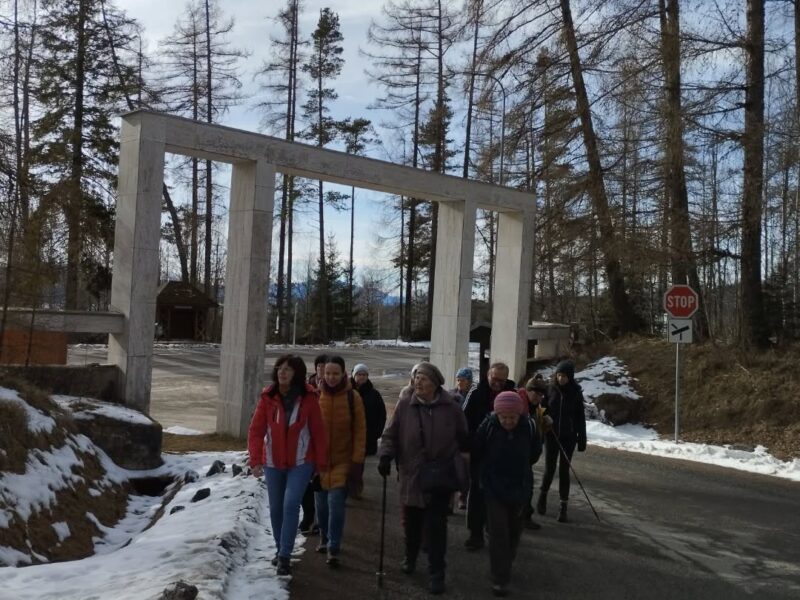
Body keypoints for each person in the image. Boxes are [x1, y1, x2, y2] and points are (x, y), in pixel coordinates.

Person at [378, 362, 468, 595]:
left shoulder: (451, 406)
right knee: (412, 522)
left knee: (437, 527)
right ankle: (410, 555)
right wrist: (386, 455)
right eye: (417, 378)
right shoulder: (406, 404)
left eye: (424, 379)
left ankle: (437, 572)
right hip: (411, 474)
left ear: (435, 383)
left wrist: (460, 463)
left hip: (440, 475)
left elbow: (463, 436)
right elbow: (391, 432)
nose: (418, 382)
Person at [247, 354, 328, 577]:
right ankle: (279, 547)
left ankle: (284, 555)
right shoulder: (268, 397)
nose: (282, 372)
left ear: (297, 373)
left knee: (291, 504)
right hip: (273, 461)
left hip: (301, 461)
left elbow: (318, 433)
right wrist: (255, 460)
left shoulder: (309, 398)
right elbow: (256, 431)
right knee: (276, 509)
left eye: (288, 369)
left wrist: (321, 464)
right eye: (279, 368)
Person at [473, 391, 542, 597]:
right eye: (504, 417)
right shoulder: (489, 426)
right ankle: (500, 578)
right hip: (493, 487)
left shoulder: (529, 427)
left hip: (519, 488)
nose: (508, 421)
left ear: (520, 414)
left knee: (514, 531)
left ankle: (506, 560)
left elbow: (534, 453)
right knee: (498, 533)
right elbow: (477, 449)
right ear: (497, 414)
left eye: (512, 417)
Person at [316, 355, 367, 566]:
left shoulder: (353, 397)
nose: (331, 377)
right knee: (321, 506)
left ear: (344, 374)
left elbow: (360, 430)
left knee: (336, 504)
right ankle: (324, 537)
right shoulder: (315, 395)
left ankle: (333, 547)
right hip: (318, 462)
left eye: (335, 373)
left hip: (343, 460)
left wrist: (356, 460)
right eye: (328, 373)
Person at [462, 362, 517, 550]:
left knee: (500, 494)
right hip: (480, 453)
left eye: (502, 380)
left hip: (503, 454)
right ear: (488, 375)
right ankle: (475, 534)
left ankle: (495, 531)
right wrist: (467, 448)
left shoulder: (513, 393)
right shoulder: (476, 392)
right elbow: (464, 421)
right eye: (495, 379)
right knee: (477, 493)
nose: (498, 383)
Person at [537, 360, 587, 523]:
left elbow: (580, 417)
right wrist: (544, 419)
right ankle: (542, 496)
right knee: (549, 469)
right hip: (551, 435)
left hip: (568, 437)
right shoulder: (549, 389)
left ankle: (563, 506)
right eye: (559, 375)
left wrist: (582, 438)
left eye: (564, 376)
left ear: (570, 377)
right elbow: (540, 410)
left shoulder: (576, 392)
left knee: (565, 471)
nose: (561, 379)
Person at [298, 354, 328, 535]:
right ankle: (309, 516)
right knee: (306, 488)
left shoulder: (334, 390)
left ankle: (320, 522)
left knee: (321, 487)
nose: (322, 370)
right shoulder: (307, 389)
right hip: (304, 448)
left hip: (322, 445)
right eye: (319, 367)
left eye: (325, 367)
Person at [516, 375, 550, 530]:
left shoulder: (536, 409)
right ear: (528, 391)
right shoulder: (518, 405)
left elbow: (538, 432)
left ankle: (524, 516)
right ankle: (519, 517)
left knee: (527, 487)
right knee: (523, 487)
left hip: (528, 455)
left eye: (541, 394)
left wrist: (545, 425)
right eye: (536, 393)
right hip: (516, 455)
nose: (538, 397)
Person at [349, 363, 387, 498]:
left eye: (364, 374)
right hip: (347, 437)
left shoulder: (374, 394)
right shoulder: (347, 393)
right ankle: (346, 488)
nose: (362, 377)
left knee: (358, 465)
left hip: (366, 437)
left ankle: (355, 490)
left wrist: (376, 433)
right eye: (359, 374)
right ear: (354, 376)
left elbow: (382, 415)